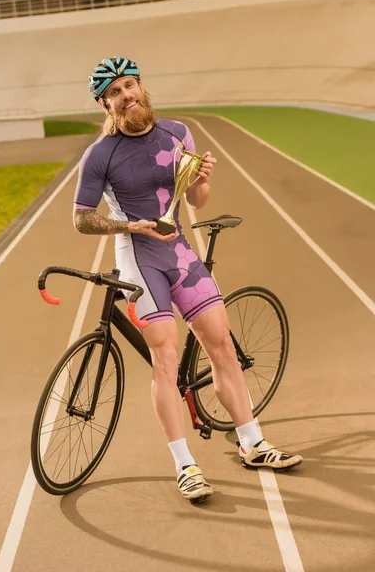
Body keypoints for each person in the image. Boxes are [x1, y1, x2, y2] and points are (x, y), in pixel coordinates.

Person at [73, 56, 303, 502]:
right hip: (138, 257)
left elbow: (195, 196)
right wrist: (128, 226)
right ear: (105, 104)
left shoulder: (177, 134)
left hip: (179, 253)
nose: (128, 95)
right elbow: (81, 220)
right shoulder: (99, 155)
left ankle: (253, 442)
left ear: (142, 87)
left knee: (220, 342)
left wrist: (203, 180)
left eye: (131, 85)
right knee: (164, 352)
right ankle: (186, 466)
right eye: (116, 92)